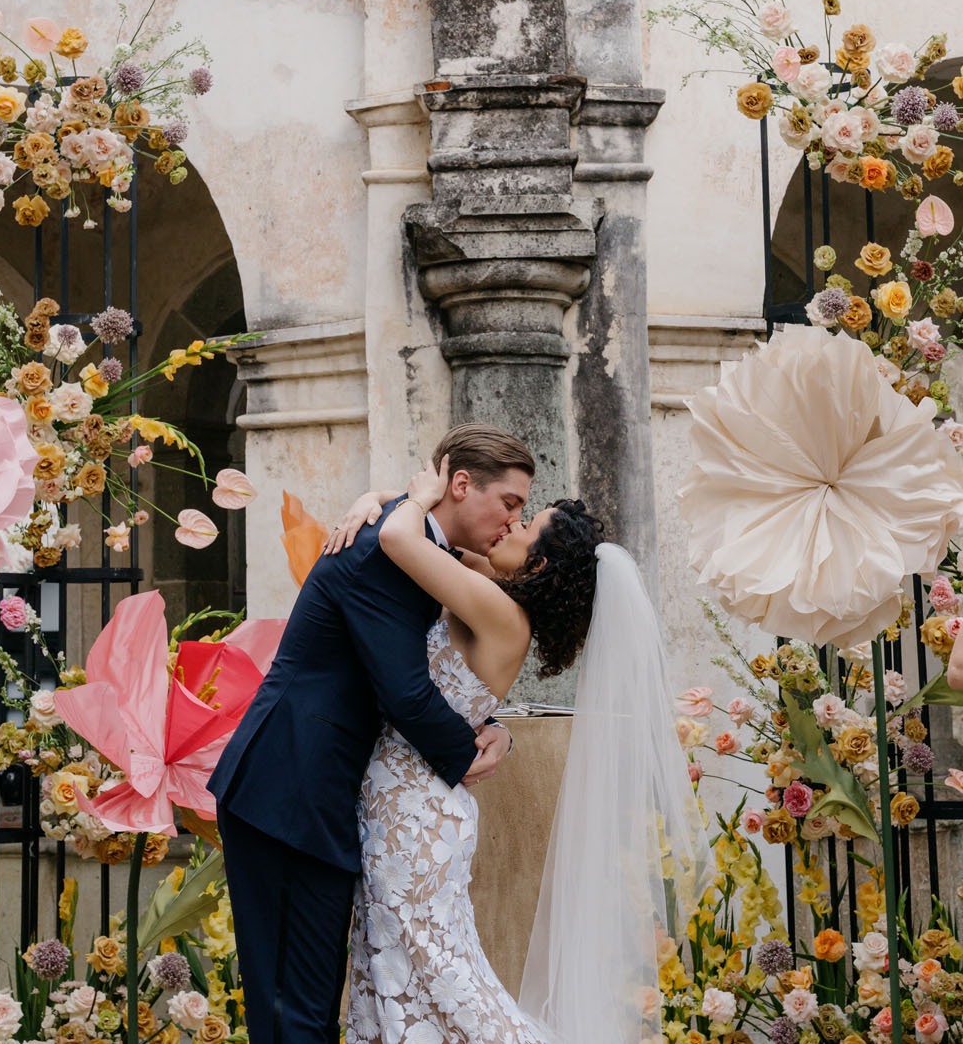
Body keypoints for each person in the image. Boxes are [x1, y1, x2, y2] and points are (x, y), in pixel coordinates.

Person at [337, 457, 712, 1044]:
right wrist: (377, 494)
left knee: (445, 988)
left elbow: (398, 537)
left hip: (413, 821)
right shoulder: (495, 594)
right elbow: (431, 537)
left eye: (523, 524)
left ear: (537, 565)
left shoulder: (501, 614)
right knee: (396, 982)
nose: (509, 526)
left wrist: (411, 496)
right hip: (409, 811)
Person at [207, 423, 536, 1044]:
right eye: (510, 503)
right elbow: (406, 694)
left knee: (308, 1006)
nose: (513, 520)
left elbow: (428, 677)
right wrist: (464, 753)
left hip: (319, 797)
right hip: (288, 792)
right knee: (291, 1011)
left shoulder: (409, 544)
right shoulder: (383, 553)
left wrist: (491, 727)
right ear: (461, 485)